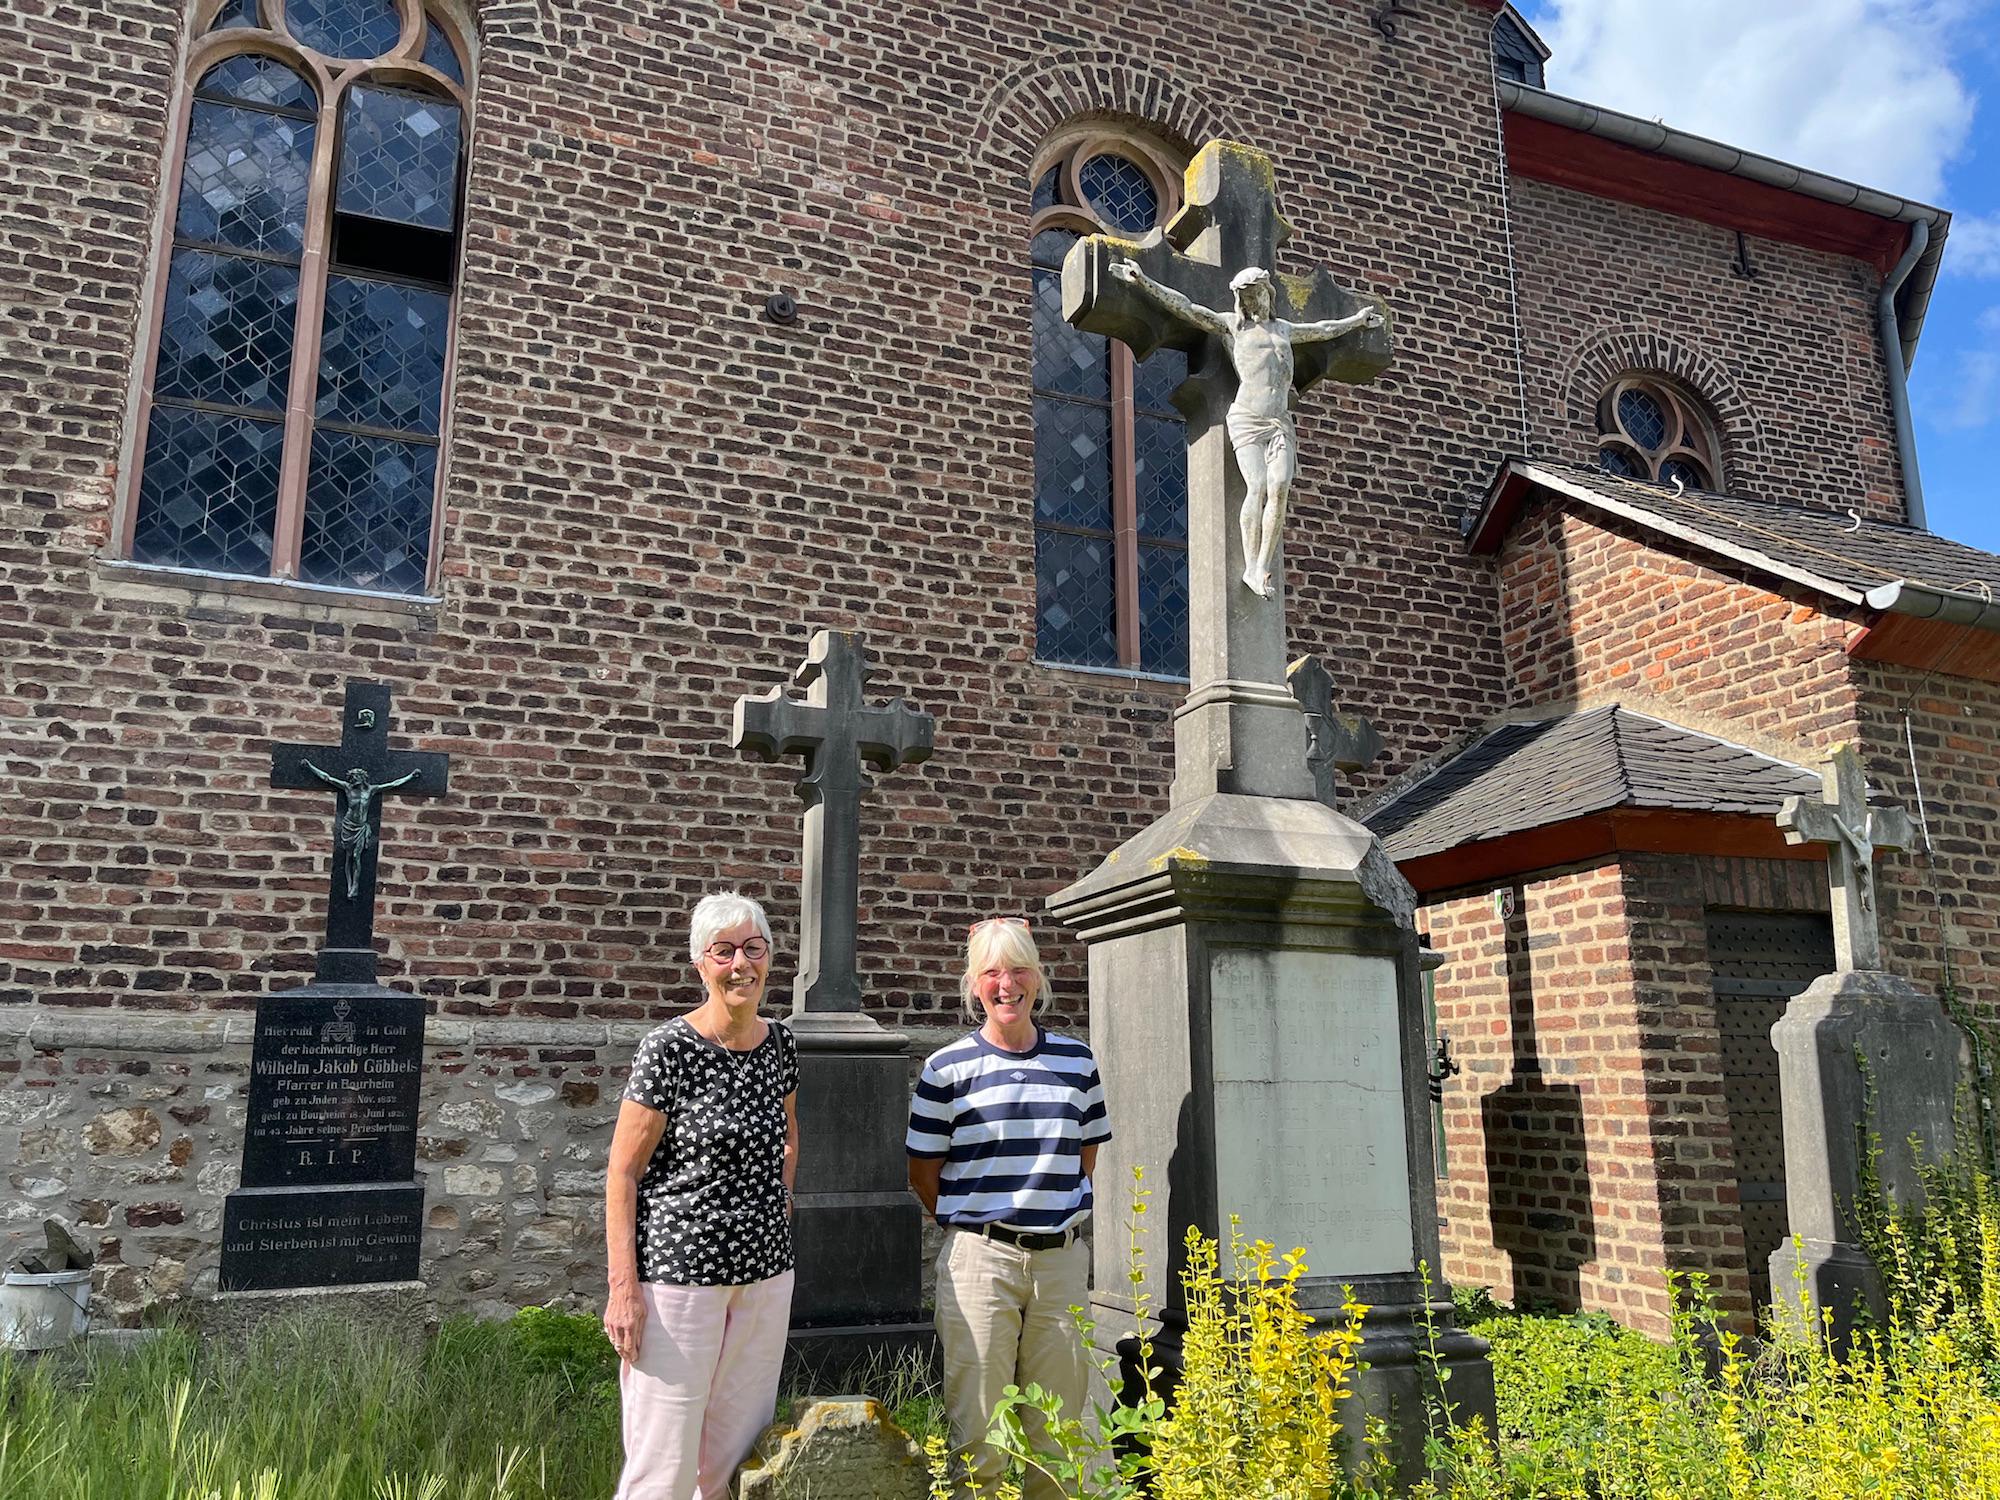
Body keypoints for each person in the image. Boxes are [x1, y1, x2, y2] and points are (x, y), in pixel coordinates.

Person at [604, 891, 800, 1500]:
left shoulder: (780, 1047)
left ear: (769, 958)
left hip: (765, 1277)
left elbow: (789, 1139)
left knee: (733, 1460)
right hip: (677, 1283)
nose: (741, 963)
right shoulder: (668, 1049)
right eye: (723, 951)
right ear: (701, 963)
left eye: (753, 948)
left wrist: (777, 1209)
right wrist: (623, 1291)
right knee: (662, 1463)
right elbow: (622, 1174)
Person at [907, 917, 1111, 1500]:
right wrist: (975, 1223)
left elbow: (1084, 1154)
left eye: (1018, 969)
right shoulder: (945, 1070)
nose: (1007, 984)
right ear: (975, 985)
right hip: (982, 1261)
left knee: (1060, 1434)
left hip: (1061, 1264)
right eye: (992, 972)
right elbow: (923, 1173)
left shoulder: (1077, 1063)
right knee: (979, 1431)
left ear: (1037, 978)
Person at [1109, 258, 1384, 598]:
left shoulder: (1283, 329)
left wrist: (1357, 322)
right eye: (1249, 299)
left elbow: (1324, 329)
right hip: (1248, 418)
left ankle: (1260, 566)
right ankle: (1251, 566)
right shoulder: (1234, 326)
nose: (1255, 304)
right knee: (1257, 487)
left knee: (1280, 486)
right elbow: (1186, 307)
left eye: (1259, 296)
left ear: (1268, 294)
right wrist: (1143, 280)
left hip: (1279, 420)